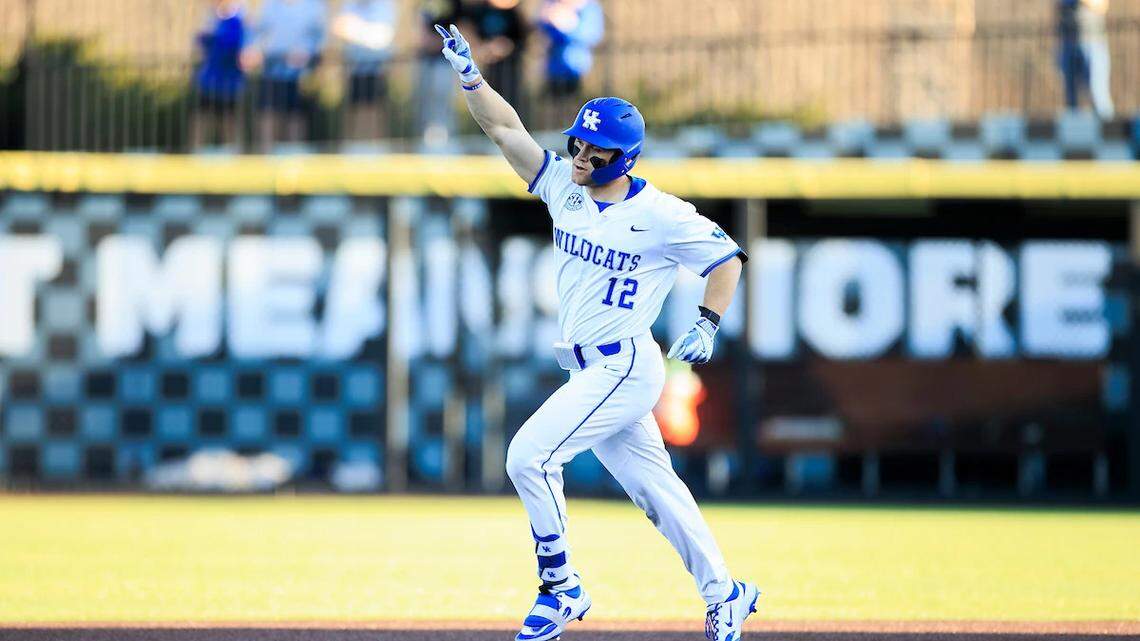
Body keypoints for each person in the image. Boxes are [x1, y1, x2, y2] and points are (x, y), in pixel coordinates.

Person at [435, 24, 760, 641]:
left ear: (626, 158)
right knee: (657, 492)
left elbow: (727, 260)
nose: (581, 158)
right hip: (589, 367)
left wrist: (708, 321)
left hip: (625, 366)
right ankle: (727, 592)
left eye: (595, 152)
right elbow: (505, 129)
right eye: (578, 145)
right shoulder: (564, 184)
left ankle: (562, 588)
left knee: (528, 456)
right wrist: (471, 77)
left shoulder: (662, 215)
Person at [242, 0, 327, 151]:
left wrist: (307, 52)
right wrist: (251, 50)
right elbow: (257, 34)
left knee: (297, 121)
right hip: (272, 74)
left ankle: (296, 159)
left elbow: (320, 37)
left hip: (301, 77)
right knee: (269, 117)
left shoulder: (314, 6)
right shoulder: (270, 5)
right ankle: (266, 157)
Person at [333, 0, 398, 141]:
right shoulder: (349, 5)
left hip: (377, 68)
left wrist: (356, 30)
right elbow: (340, 27)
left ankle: (374, 146)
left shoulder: (384, 5)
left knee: (375, 110)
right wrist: (366, 33)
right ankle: (354, 145)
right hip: (354, 68)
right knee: (353, 110)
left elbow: (382, 39)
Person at [191, 0, 246, 150]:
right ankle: (197, 151)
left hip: (229, 81)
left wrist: (213, 38)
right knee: (202, 116)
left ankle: (232, 151)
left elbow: (232, 46)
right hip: (209, 80)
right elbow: (200, 41)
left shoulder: (237, 20)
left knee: (229, 118)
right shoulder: (211, 19)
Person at [1058, 0, 1115, 120]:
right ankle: (1073, 132)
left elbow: (1102, 5)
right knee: (1070, 95)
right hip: (1068, 42)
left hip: (1093, 42)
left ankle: (1106, 128)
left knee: (1097, 91)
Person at [466, 0, 527, 112]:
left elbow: (523, 38)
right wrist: (483, 48)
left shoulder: (513, 11)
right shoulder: (479, 10)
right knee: (488, 105)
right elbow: (469, 29)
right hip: (488, 69)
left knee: (511, 104)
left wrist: (506, 46)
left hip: (510, 69)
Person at [537, 0, 604, 97]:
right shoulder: (553, 4)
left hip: (577, 65)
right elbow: (542, 30)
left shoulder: (589, 6)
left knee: (574, 101)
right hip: (552, 66)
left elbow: (592, 35)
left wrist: (569, 25)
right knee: (552, 100)